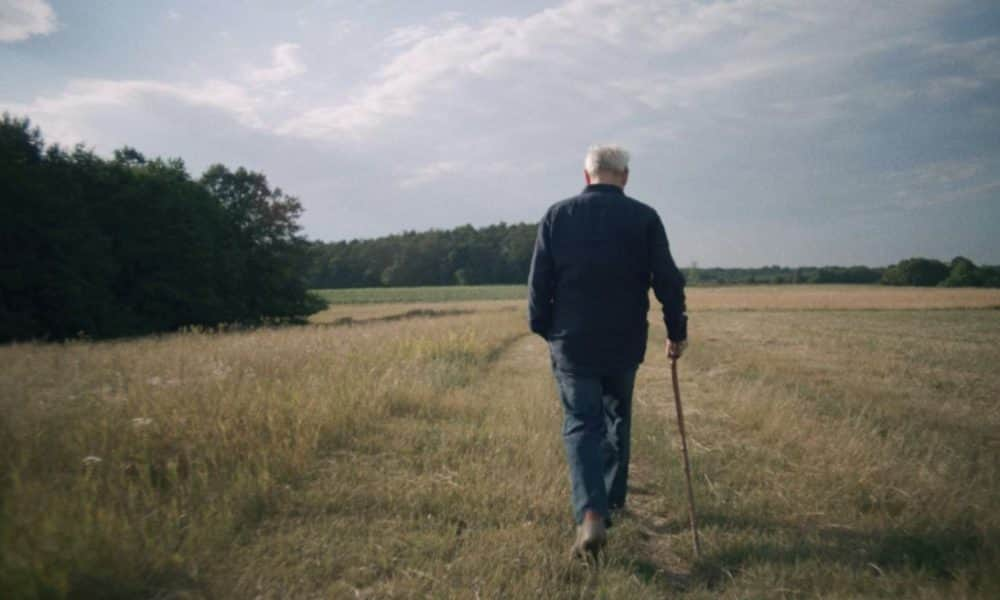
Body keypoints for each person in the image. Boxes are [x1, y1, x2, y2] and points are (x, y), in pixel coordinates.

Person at [527, 144, 688, 560]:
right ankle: (613, 503)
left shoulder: (557, 216)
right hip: (624, 340)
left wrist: (544, 328)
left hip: (573, 341)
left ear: (586, 176)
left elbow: (539, 283)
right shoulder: (645, 217)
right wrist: (676, 330)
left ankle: (592, 513)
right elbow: (668, 280)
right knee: (618, 418)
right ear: (625, 177)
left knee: (582, 423)